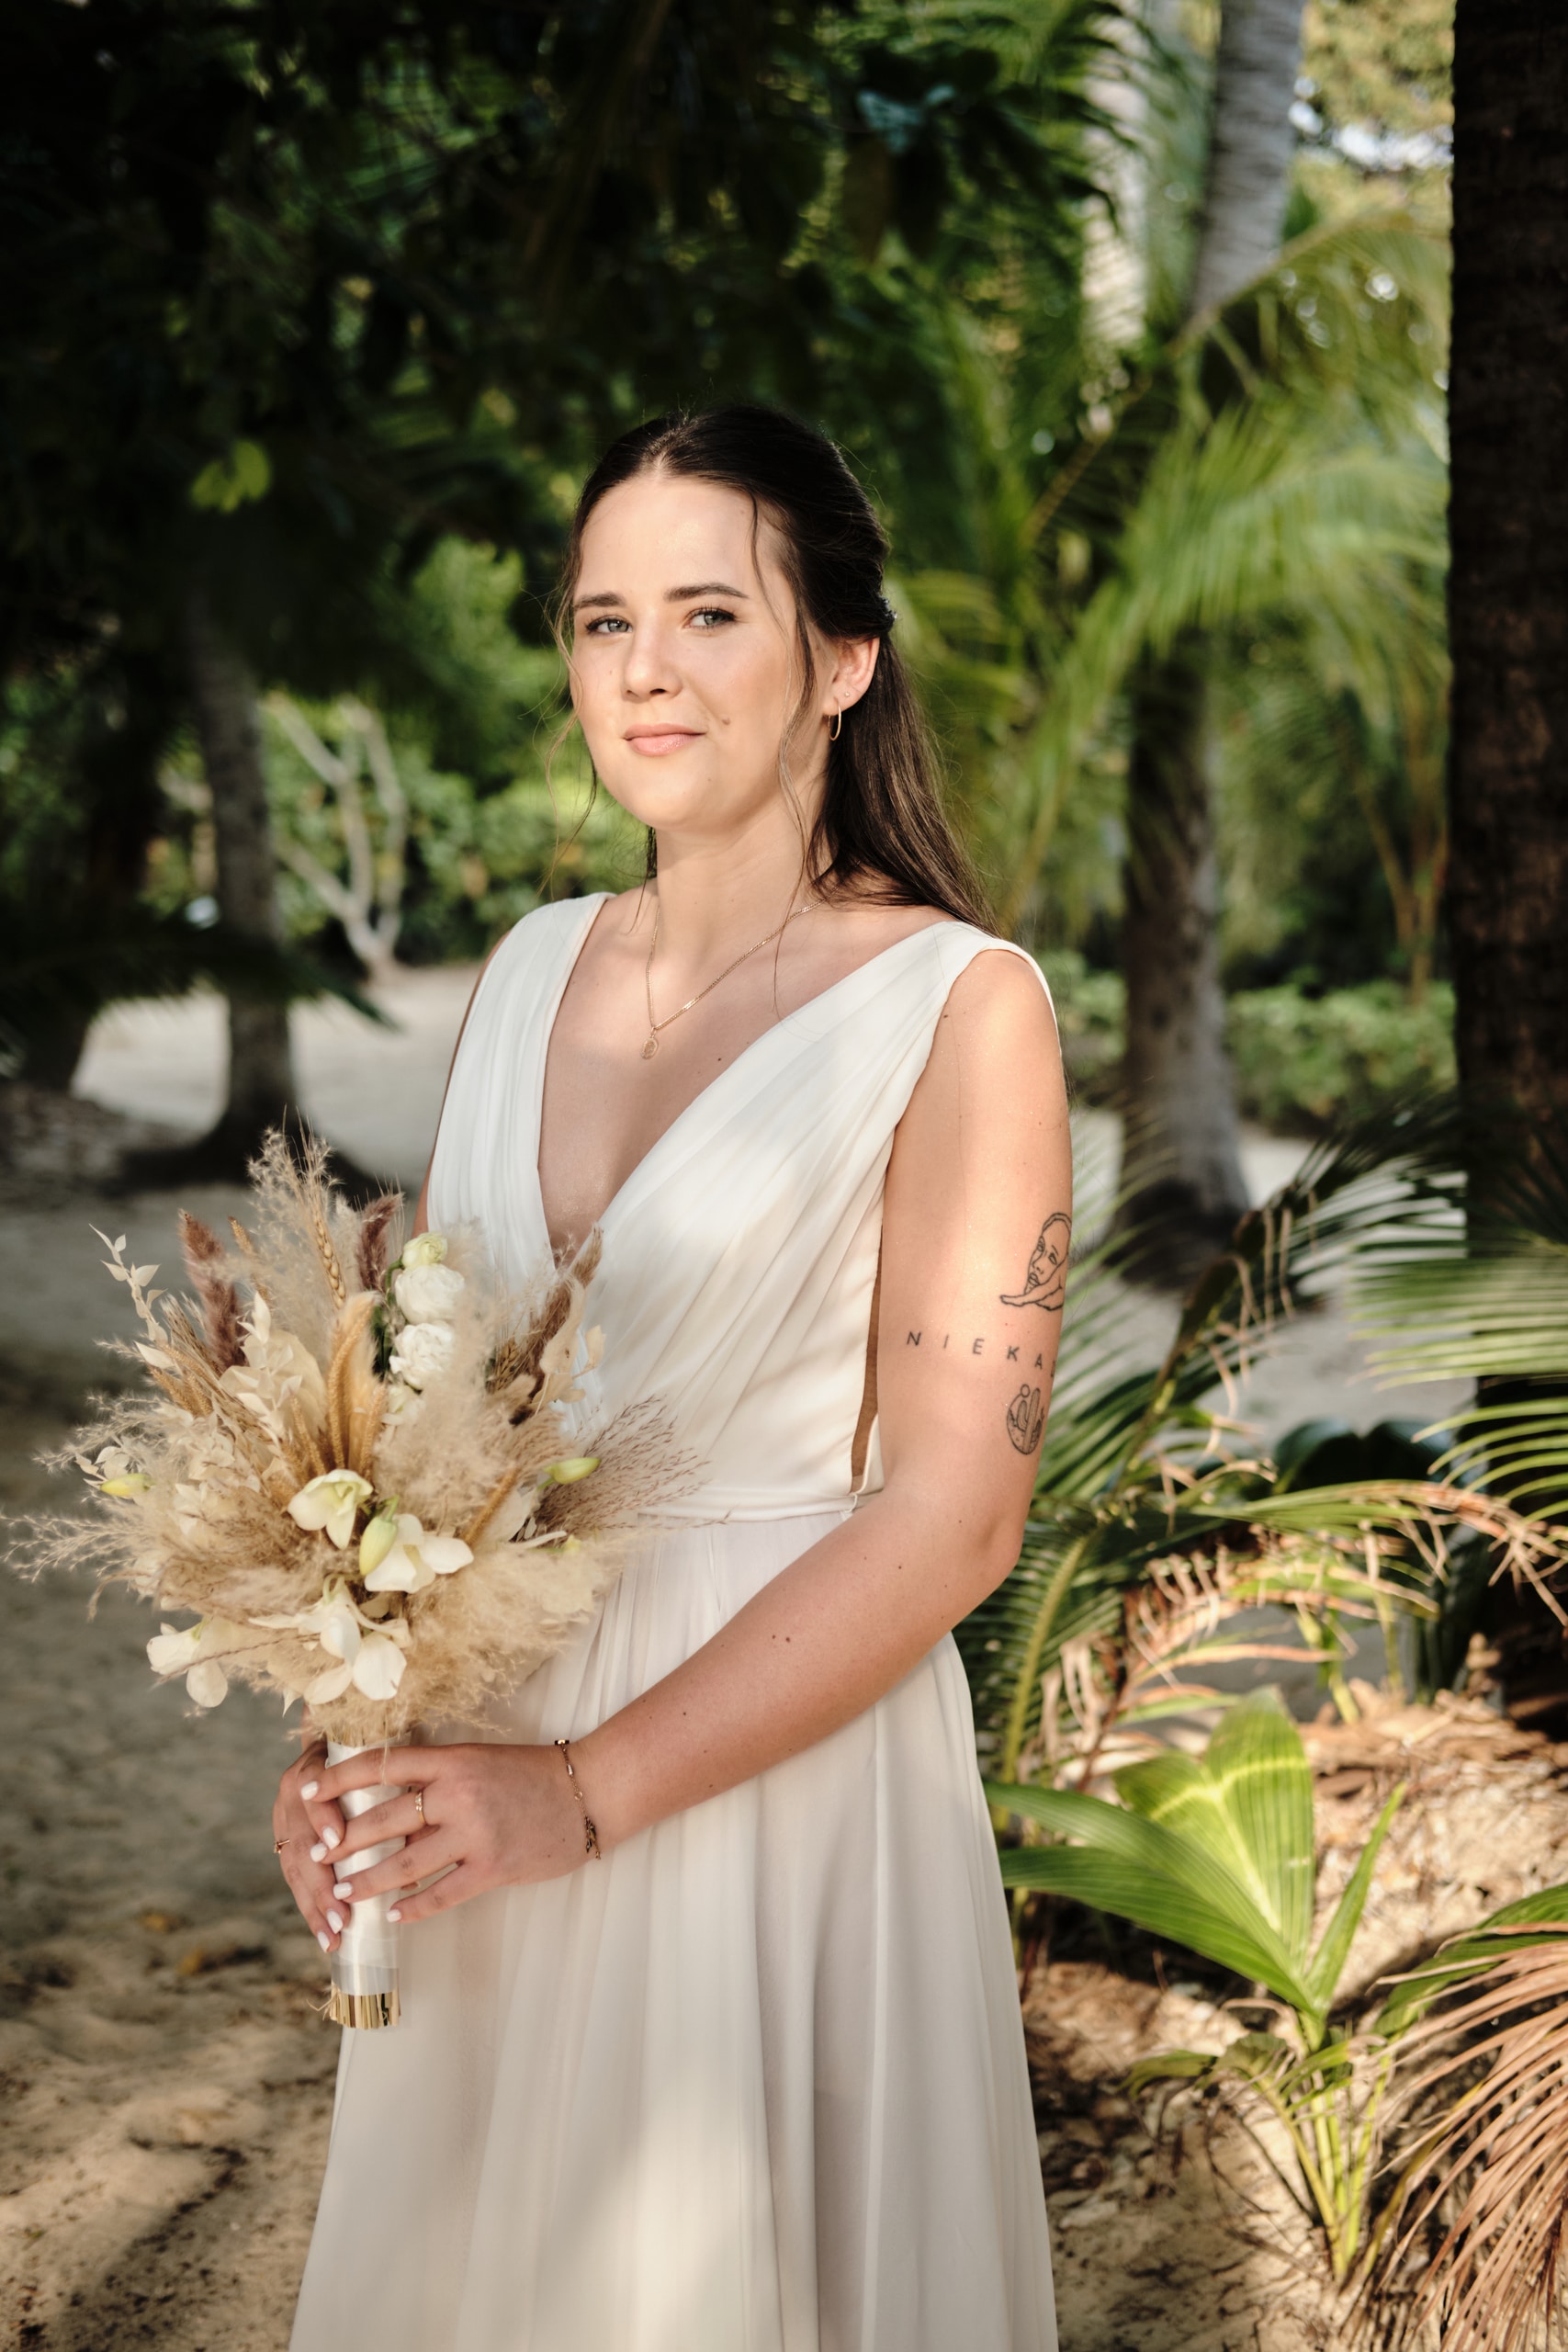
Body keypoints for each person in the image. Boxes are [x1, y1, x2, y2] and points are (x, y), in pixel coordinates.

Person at [276, 404, 1070, 2352]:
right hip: (484, 1760)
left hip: (759, 1777)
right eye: (597, 616)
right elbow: (421, 1438)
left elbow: (957, 1509)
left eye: (707, 610)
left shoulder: (958, 1004)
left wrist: (586, 1790)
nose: (638, 665)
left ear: (841, 657)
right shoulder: (527, 967)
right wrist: (336, 1747)